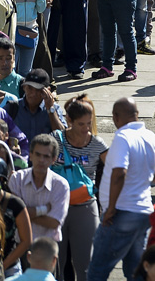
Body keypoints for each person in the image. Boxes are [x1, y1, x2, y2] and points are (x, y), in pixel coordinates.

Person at [87, 98, 155, 281]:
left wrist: (111, 209)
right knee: (135, 272)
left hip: (121, 213)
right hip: (144, 213)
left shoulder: (123, 137)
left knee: (97, 271)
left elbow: (120, 173)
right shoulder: (154, 138)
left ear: (116, 116)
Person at [54, 95, 109, 281]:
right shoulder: (56, 139)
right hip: (56, 207)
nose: (86, 129)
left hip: (85, 207)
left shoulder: (98, 144)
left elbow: (115, 171)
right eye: (81, 124)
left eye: (89, 123)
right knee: (56, 265)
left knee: (85, 265)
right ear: (69, 120)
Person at [10, 134, 70, 276]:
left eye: (46, 156)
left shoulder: (60, 185)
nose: (41, 160)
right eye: (38, 155)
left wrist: (22, 215)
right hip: (19, 247)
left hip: (47, 249)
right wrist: (43, 210)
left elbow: (54, 222)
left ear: (53, 160)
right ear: (30, 155)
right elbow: (11, 215)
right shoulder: (16, 179)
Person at [1, 0, 47, 75]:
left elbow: (41, 9)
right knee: (12, 70)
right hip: (13, 33)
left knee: (26, 72)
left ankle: (24, 94)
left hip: (31, 33)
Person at [6, 69, 66, 142]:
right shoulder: (12, 108)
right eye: (30, 88)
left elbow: (62, 138)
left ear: (48, 90)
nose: (33, 93)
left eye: (38, 90)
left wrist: (51, 110)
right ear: (24, 87)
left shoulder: (54, 108)